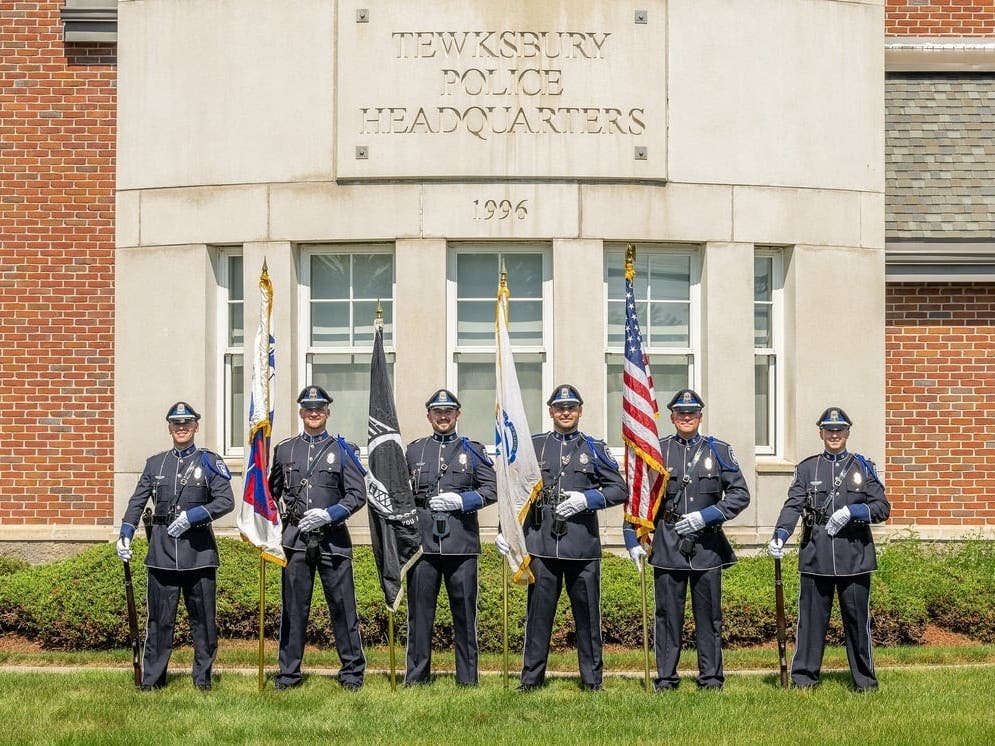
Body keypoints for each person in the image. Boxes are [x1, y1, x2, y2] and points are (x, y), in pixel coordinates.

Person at [623, 389, 750, 691]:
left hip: (707, 546)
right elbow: (639, 498)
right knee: (667, 617)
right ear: (672, 417)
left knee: (709, 618)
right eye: (681, 413)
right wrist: (631, 536)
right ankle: (666, 678)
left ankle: (711, 678)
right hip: (667, 544)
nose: (686, 418)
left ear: (700, 417)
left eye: (691, 413)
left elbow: (739, 494)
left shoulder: (717, 450)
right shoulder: (658, 451)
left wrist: (707, 516)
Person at [508, 384, 627, 692]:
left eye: (571, 408)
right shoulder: (535, 446)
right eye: (560, 408)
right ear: (551, 412)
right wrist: (504, 531)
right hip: (542, 543)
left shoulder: (593, 448)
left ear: (580, 411)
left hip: (582, 547)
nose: (565, 412)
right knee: (538, 618)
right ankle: (531, 680)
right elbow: (515, 492)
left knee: (587, 618)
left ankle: (592, 680)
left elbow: (619, 489)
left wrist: (588, 499)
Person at [767, 406, 890, 692]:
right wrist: (780, 535)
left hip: (855, 556)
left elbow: (882, 507)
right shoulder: (807, 468)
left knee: (858, 624)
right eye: (829, 430)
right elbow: (793, 505)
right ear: (821, 432)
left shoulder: (862, 467)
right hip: (816, 554)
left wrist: (853, 511)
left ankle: (864, 682)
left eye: (840, 430)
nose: (834, 435)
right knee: (810, 623)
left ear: (848, 432)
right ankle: (804, 679)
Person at [115, 401, 234, 691]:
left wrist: (192, 517)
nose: (182, 428)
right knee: (158, 622)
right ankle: (153, 680)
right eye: (176, 424)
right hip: (162, 553)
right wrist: (126, 533)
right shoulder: (156, 463)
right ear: (169, 428)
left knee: (203, 623)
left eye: (187, 424)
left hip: (199, 554)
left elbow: (225, 501)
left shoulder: (209, 461)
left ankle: (203, 680)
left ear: (196, 427)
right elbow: (137, 501)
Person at [269, 385, 368, 691]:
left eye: (320, 409)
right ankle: (288, 674)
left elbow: (357, 494)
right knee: (293, 610)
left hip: (332, 540)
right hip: (296, 540)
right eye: (309, 409)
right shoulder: (284, 450)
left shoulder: (343, 450)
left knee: (343, 609)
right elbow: (273, 491)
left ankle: (352, 673)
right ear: (301, 412)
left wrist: (331, 513)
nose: (314, 413)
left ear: (328, 413)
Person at [404, 388, 497, 686]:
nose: (443, 416)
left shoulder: (472, 450)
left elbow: (492, 489)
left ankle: (467, 679)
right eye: (437, 412)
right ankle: (417, 677)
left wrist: (462, 501)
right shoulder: (414, 451)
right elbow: (400, 493)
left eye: (448, 412)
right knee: (419, 617)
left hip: (461, 544)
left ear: (458, 415)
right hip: (423, 546)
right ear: (428, 415)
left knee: (464, 616)